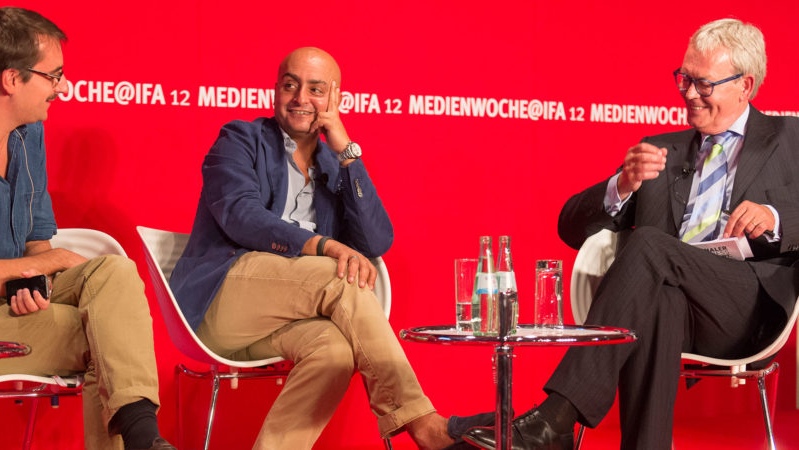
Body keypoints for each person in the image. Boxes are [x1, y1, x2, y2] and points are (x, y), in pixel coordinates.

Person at [459, 18, 799, 450]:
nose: (689, 94)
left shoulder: (790, 138)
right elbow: (569, 227)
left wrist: (775, 216)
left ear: (744, 85)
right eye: (684, 79)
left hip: (746, 309)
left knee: (649, 243)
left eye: (704, 84)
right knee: (661, 302)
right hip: (675, 307)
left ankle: (557, 417)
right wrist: (620, 186)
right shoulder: (661, 150)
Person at [0, 8, 173, 450]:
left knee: (114, 272)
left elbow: (36, 241)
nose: (62, 87)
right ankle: (144, 438)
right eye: (54, 75)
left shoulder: (28, 133)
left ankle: (144, 438)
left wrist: (34, 281)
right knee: (106, 337)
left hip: (1, 303)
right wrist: (52, 262)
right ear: (12, 79)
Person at [169, 47, 458, 449]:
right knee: (337, 274)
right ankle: (422, 424)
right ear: (276, 90)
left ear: (335, 98)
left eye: (316, 89)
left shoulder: (332, 165)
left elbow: (376, 241)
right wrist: (321, 244)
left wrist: (347, 153)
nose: (300, 98)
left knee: (334, 352)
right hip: (221, 303)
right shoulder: (240, 139)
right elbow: (240, 216)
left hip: (281, 320)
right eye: (290, 85)